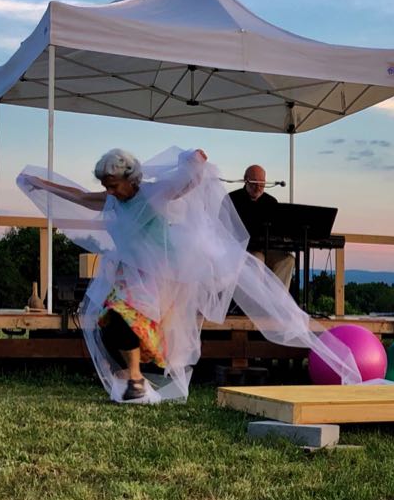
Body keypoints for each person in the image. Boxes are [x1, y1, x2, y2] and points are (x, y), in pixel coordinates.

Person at [18, 147, 361, 403]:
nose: (108, 191)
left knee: (125, 320)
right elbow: (79, 195)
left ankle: (136, 379)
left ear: (128, 178)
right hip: (130, 272)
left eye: (112, 184)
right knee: (107, 320)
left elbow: (188, 184)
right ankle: (134, 380)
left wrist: (195, 163)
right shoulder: (111, 199)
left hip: (162, 273)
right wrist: (42, 185)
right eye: (105, 185)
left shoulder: (152, 193)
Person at [228, 165, 295, 288]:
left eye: (262, 183)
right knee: (257, 259)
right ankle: (254, 303)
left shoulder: (271, 202)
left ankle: (275, 303)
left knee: (288, 260)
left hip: (267, 248)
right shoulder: (232, 199)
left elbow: (278, 229)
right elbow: (223, 230)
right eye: (255, 182)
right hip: (243, 250)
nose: (258, 186)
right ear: (246, 179)